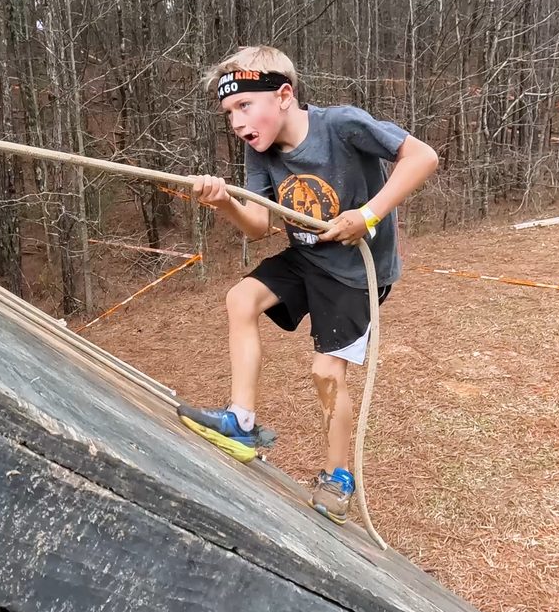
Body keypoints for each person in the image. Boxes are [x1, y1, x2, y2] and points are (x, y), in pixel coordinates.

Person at [179, 46, 438, 525]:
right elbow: (259, 225)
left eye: (244, 106)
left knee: (326, 374)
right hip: (307, 257)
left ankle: (338, 476)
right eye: (229, 113)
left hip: (356, 275)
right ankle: (241, 420)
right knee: (241, 299)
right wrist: (224, 202)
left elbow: (423, 157)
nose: (237, 122)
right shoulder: (260, 151)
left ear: (283, 95)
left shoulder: (341, 125)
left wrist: (368, 215)